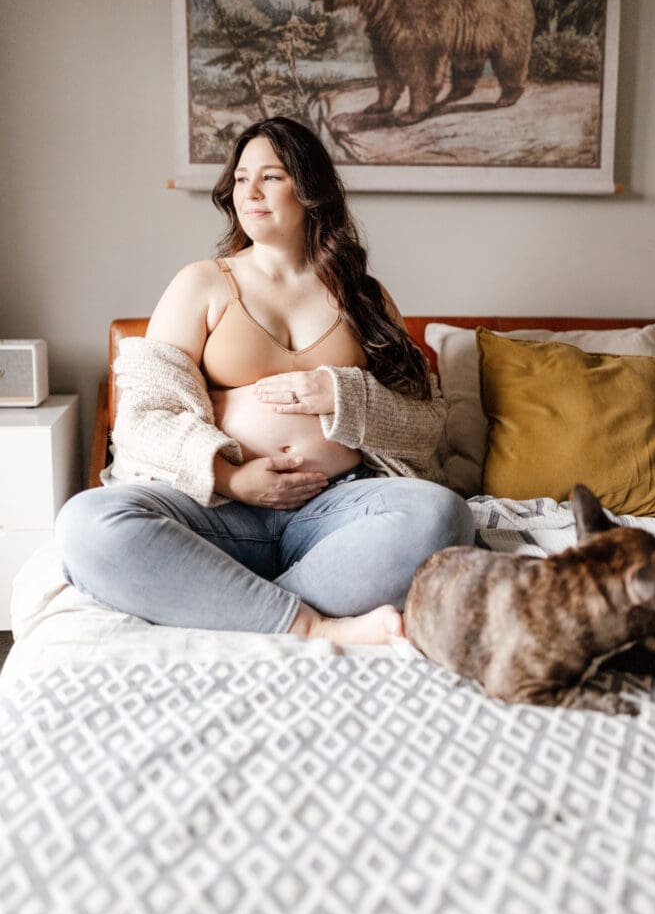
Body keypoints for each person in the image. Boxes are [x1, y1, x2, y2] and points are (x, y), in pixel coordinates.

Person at [56, 117, 474, 645]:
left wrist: (341, 395)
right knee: (86, 523)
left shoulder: (363, 296)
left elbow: (425, 424)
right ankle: (311, 624)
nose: (249, 192)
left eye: (271, 177)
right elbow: (143, 417)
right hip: (217, 513)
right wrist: (230, 477)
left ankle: (232, 602)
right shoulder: (203, 283)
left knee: (442, 515)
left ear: (311, 189)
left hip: (333, 514)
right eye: (240, 178)